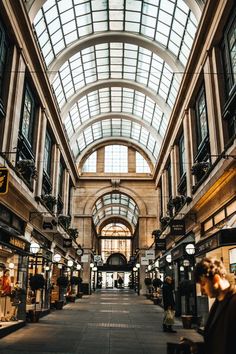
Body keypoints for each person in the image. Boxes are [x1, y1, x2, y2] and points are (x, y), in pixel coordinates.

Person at [181, 257, 236, 354]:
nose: (202, 289)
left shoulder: (233, 303)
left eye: (203, 283)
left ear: (216, 279)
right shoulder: (217, 303)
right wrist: (196, 347)